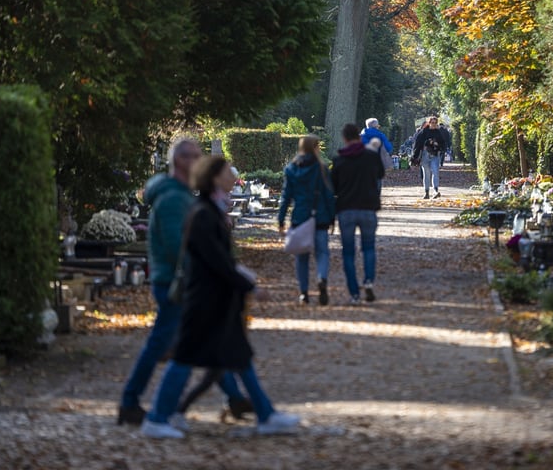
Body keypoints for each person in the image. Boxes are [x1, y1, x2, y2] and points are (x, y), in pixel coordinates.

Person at [142, 156, 300, 439]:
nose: (233, 176)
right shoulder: (204, 213)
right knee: (186, 359)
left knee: (238, 357)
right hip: (205, 301)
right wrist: (249, 286)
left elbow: (221, 259)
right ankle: (157, 418)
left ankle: (266, 415)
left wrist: (244, 280)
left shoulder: (210, 210)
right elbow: (217, 261)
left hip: (216, 300)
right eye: (228, 171)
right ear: (214, 178)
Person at [118, 139, 251, 426]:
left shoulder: (179, 194)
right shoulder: (173, 198)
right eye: (193, 156)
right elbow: (178, 246)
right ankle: (130, 402)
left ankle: (235, 398)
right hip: (174, 282)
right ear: (180, 161)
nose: (199, 162)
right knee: (167, 344)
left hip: (178, 279)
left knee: (202, 340)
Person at [277, 135, 336, 305]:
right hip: (320, 216)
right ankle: (321, 278)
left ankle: (303, 292)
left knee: (301, 256)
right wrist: (332, 218)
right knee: (322, 253)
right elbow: (329, 195)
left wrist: (281, 219)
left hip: (300, 217)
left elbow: (286, 197)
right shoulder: (321, 168)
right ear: (315, 148)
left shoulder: (291, 169)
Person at [331, 123, 384, 304]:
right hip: (368, 207)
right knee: (368, 247)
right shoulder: (371, 156)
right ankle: (368, 280)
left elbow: (333, 187)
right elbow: (380, 174)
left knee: (348, 252)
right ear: (359, 137)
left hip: (346, 209)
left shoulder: (339, 159)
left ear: (344, 138)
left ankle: (354, 293)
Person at [412, 116, 447, 199]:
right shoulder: (423, 132)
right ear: (429, 123)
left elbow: (443, 143)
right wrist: (415, 157)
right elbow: (417, 144)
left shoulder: (438, 133)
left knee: (435, 172)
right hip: (425, 155)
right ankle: (426, 192)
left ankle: (435, 191)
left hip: (435, 155)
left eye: (435, 123)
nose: (434, 124)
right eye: (432, 122)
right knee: (426, 174)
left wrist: (438, 145)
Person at [360, 118, 393, 194]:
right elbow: (389, 148)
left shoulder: (360, 136)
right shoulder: (381, 135)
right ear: (376, 126)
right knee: (377, 180)